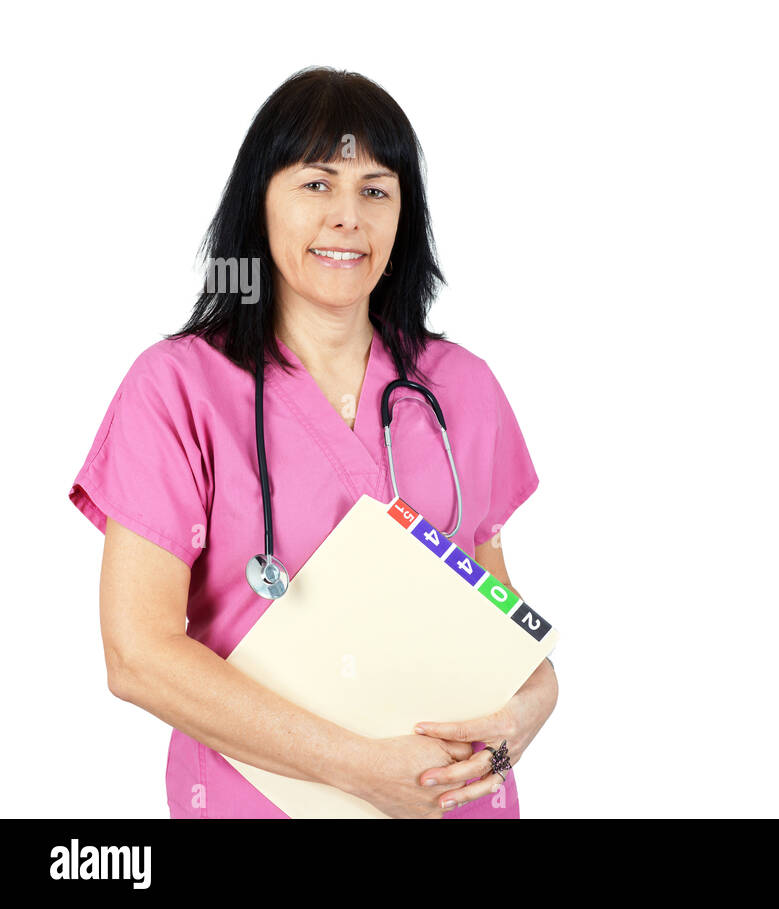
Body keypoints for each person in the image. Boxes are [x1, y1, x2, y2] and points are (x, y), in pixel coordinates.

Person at [69, 67, 558, 819]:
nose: (347, 216)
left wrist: (533, 703)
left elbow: (501, 617)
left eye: (376, 189)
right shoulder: (176, 387)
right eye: (317, 184)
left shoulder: (462, 387)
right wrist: (362, 769)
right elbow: (138, 655)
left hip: (450, 803)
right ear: (258, 204)